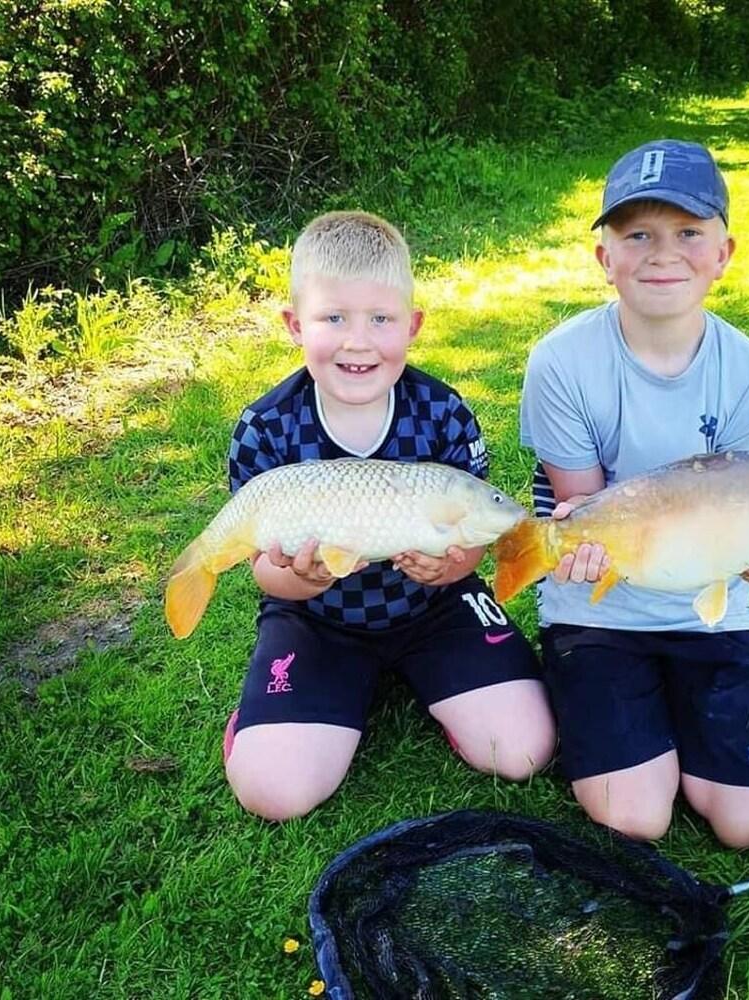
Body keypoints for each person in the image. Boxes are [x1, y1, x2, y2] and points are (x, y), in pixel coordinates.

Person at [223, 211, 556, 821]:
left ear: (413, 325)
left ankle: (431, 682)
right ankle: (274, 716)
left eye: (381, 319)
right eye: (333, 318)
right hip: (316, 617)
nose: (358, 340)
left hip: (435, 610)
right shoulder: (264, 428)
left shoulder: (444, 413)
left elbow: (475, 539)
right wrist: (305, 578)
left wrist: (453, 567)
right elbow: (265, 574)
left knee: (525, 753)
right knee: (275, 792)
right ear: (296, 326)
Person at [519, 139, 749, 849]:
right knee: (635, 817)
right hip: (598, 609)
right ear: (604, 258)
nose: (661, 254)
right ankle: (616, 705)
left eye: (687, 234)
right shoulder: (561, 362)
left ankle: (675, 707)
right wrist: (570, 544)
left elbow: (739, 511)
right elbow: (582, 510)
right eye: (637, 234)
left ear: (723, 254)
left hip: (710, 613)